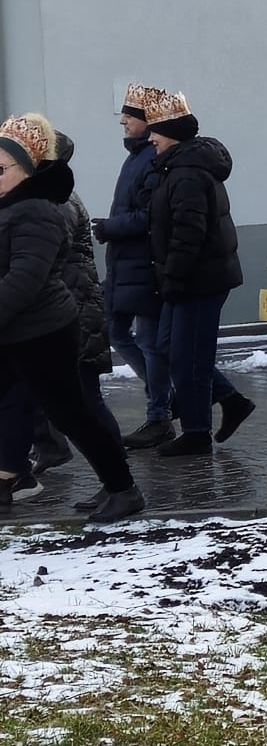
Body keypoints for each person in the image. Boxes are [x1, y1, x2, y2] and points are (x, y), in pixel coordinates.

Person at [0, 113, 144, 522]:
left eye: (1, 169)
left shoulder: (35, 211)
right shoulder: (11, 206)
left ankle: (123, 489)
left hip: (42, 333)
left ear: (27, 169)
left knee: (72, 415)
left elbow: (25, 279)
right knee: (12, 404)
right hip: (15, 331)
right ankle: (10, 479)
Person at [142, 90, 256, 457]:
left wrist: (173, 278)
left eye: (156, 131)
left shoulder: (187, 172)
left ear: (172, 133)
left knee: (188, 358)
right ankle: (230, 400)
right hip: (191, 277)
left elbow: (188, 232)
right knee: (167, 347)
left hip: (199, 280)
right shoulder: (177, 166)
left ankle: (196, 433)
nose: (150, 138)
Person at [95, 84, 175, 450]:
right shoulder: (137, 157)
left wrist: (110, 228)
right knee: (117, 332)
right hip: (126, 265)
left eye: (130, 115)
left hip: (144, 265)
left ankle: (161, 412)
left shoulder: (151, 159)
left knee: (147, 341)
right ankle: (165, 400)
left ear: (149, 121)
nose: (123, 120)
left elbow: (150, 216)